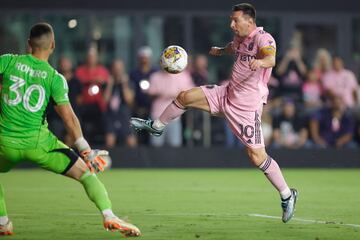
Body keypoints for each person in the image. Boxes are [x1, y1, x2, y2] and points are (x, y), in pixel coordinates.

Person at [131, 3, 298, 223]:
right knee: (185, 96)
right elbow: (234, 47)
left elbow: (271, 57)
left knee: (257, 156)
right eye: (231, 19)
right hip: (226, 94)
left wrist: (260, 62)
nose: (231, 24)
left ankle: (287, 194)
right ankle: (157, 126)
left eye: (235, 20)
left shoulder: (263, 38)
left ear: (249, 20)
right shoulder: (240, 38)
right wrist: (221, 50)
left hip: (245, 108)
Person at [0, 23, 140, 237]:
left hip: (4, 143)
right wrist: (85, 149)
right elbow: (69, 118)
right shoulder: (55, 78)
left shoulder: (7, 61)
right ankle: (109, 215)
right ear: (53, 45)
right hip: (39, 144)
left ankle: (2, 222)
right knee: (86, 174)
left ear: (28, 44)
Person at [146, 69, 194, 147]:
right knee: (155, 146)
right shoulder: (155, 76)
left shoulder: (183, 75)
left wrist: (173, 95)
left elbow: (190, 93)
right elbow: (150, 94)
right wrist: (161, 94)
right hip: (157, 117)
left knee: (174, 146)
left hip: (175, 118)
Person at [105, 59, 137, 148]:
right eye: (115, 68)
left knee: (131, 141)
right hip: (111, 117)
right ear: (112, 69)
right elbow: (105, 100)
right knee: (109, 141)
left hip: (124, 116)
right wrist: (109, 84)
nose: (117, 71)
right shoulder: (108, 83)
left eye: (119, 69)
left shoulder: (129, 83)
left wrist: (124, 84)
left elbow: (129, 100)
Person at [130, 46, 158, 145]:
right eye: (142, 58)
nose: (144, 60)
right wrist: (135, 107)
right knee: (137, 134)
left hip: (152, 109)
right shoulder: (133, 73)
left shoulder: (155, 73)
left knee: (151, 136)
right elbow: (131, 91)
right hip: (137, 109)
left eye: (146, 58)